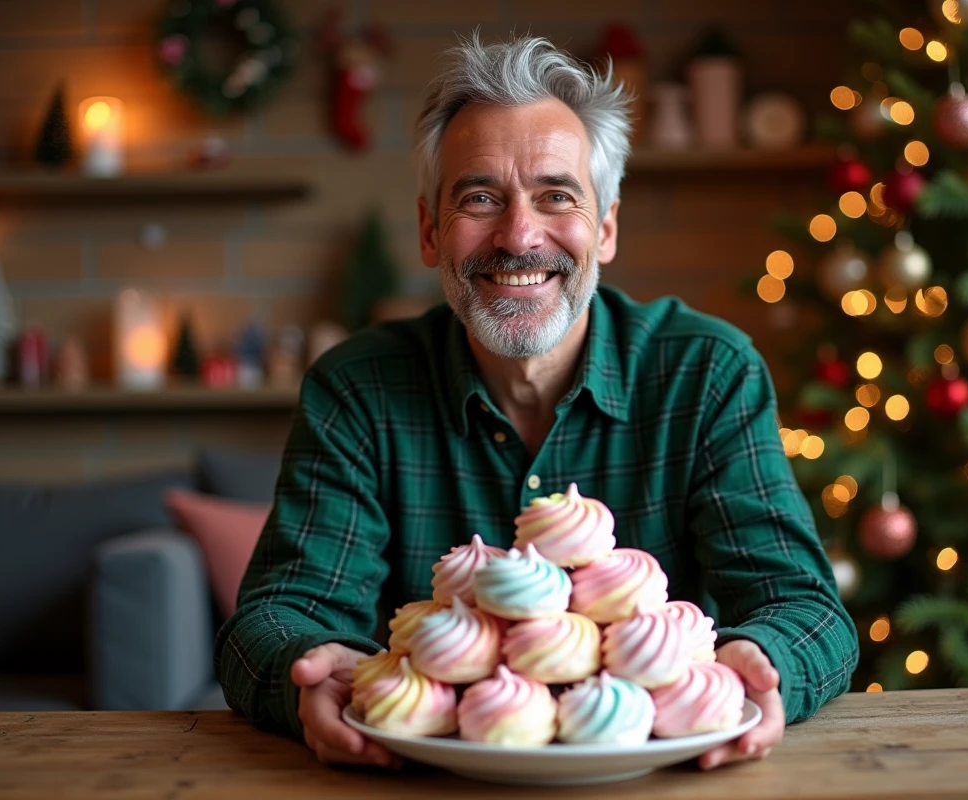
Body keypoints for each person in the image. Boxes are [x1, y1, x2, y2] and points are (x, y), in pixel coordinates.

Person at [215, 33, 858, 771]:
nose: (519, 236)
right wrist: (307, 670)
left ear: (605, 228)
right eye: (480, 198)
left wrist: (759, 660)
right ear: (431, 232)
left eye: (556, 195)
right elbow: (271, 619)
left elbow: (807, 610)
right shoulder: (357, 389)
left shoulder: (706, 373)